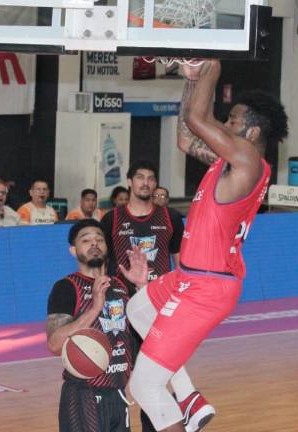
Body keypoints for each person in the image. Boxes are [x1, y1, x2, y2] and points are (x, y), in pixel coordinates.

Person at [126, 59, 288, 432]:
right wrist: (191, 81)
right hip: (192, 276)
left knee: (144, 385)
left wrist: (210, 67)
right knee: (138, 309)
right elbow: (186, 137)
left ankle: (182, 408)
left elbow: (198, 119)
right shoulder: (229, 161)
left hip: (207, 286)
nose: (224, 125)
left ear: (252, 131)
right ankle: (189, 398)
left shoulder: (248, 160)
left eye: (232, 120)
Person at [100, 160, 185, 432]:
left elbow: (181, 265)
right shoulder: (111, 219)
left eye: (150, 178)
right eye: (140, 177)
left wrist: (182, 303)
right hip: (122, 310)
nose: (145, 182)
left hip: (158, 308)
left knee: (155, 379)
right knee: (118, 376)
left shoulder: (171, 218)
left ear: (155, 183)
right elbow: (101, 265)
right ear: (129, 182)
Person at [45, 218, 148, 432]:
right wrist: (94, 308)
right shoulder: (66, 287)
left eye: (99, 239)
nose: (94, 243)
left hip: (118, 394)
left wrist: (142, 287)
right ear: (73, 251)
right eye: (86, 240)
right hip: (83, 395)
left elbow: (149, 332)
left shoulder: (122, 285)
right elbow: (55, 344)